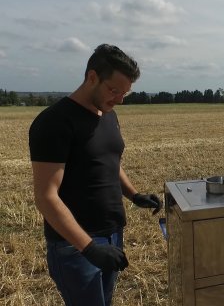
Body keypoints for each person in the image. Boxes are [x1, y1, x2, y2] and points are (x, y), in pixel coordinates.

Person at [29, 44, 162, 306]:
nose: (119, 100)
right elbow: (46, 197)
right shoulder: (54, 122)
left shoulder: (108, 115)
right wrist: (89, 247)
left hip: (112, 235)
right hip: (75, 246)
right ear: (92, 77)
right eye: (114, 90)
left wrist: (134, 195)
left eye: (125, 93)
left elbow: (108, 162)